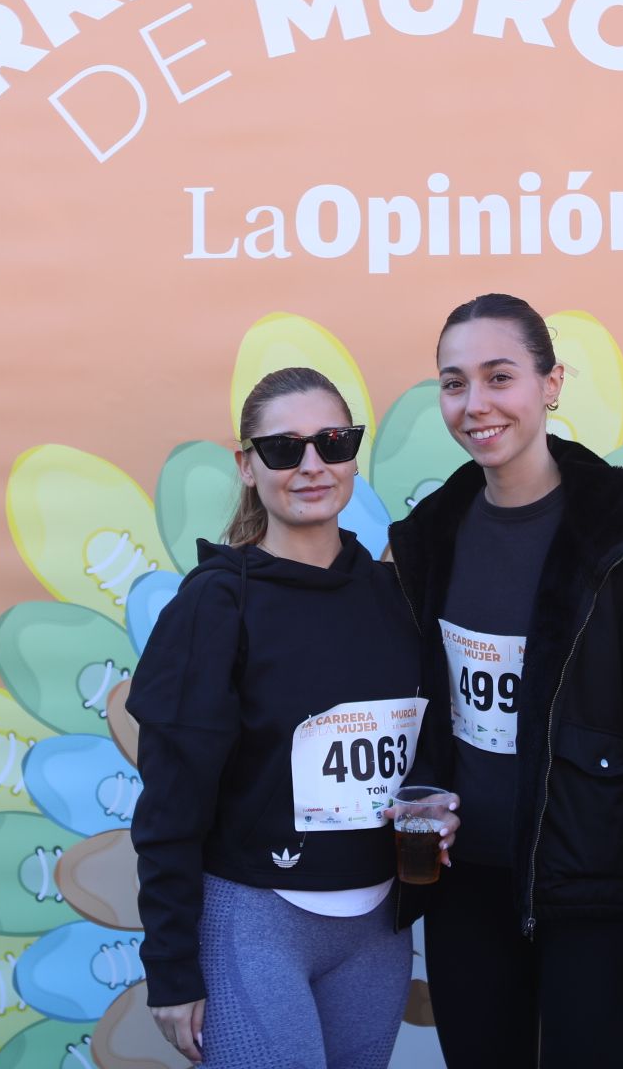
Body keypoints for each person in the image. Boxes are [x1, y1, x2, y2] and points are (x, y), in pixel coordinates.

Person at [390, 293, 623, 1069]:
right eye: (454, 383)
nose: (476, 405)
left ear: (551, 383)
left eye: (500, 377)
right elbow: (424, 713)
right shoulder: (430, 536)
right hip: (467, 896)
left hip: (592, 897)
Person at [127, 366, 457, 1068]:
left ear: (352, 455)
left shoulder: (397, 598)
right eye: (283, 449)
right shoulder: (216, 606)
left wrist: (431, 798)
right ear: (247, 466)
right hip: (254, 920)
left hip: (376, 929)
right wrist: (172, 968)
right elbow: (170, 803)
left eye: (333, 443)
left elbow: (427, 746)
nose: (312, 465)